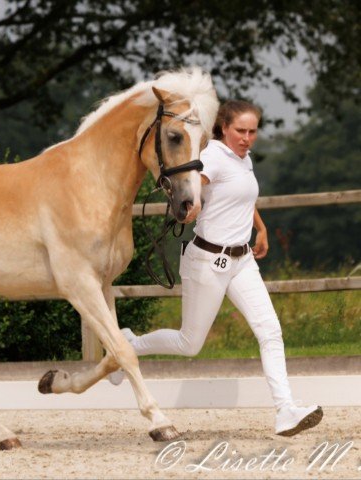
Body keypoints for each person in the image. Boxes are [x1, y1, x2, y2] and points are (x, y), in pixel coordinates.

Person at [109, 100, 323, 437]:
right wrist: (191, 206)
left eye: (253, 131)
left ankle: (285, 411)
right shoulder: (211, 157)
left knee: (270, 331)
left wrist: (261, 227)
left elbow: (242, 195)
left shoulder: (243, 159)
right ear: (224, 128)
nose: (247, 137)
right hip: (208, 261)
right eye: (241, 131)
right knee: (189, 343)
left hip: (242, 261)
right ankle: (127, 344)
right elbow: (192, 188)